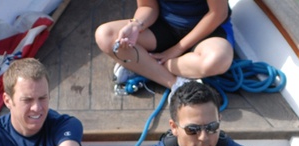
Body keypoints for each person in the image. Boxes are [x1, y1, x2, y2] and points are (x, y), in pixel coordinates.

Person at [94, 0, 234, 92]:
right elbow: (148, 7)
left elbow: (218, 13)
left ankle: (145, 67)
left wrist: (177, 49)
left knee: (217, 60)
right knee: (105, 35)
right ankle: (177, 85)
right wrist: (136, 24)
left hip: (207, 29)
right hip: (164, 25)